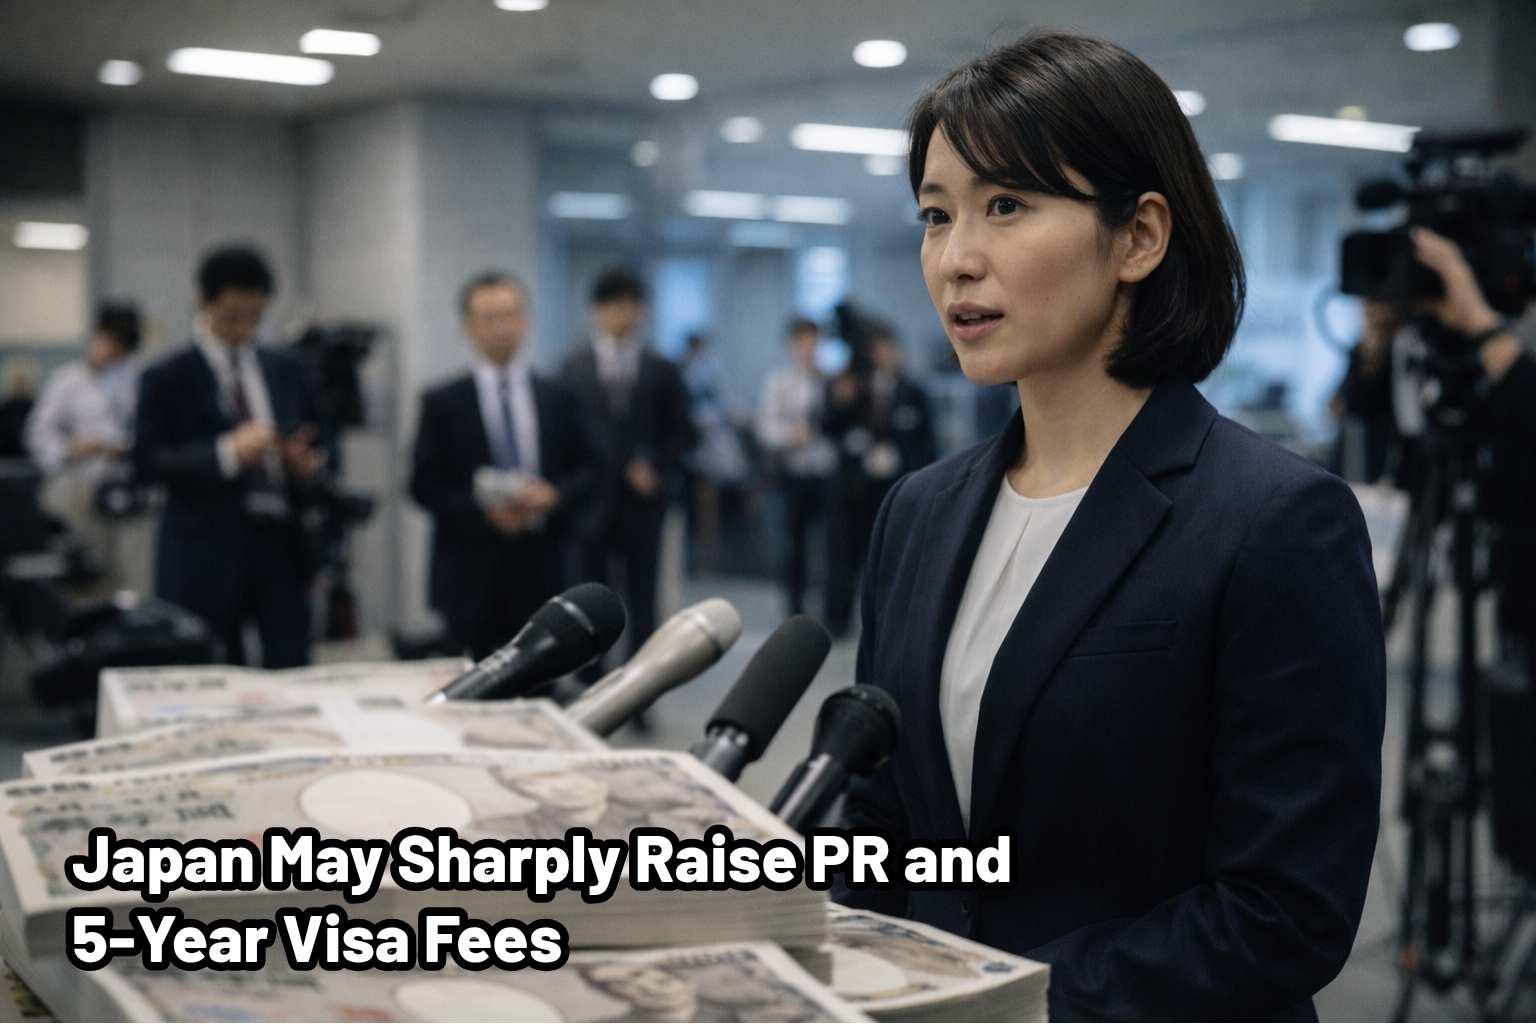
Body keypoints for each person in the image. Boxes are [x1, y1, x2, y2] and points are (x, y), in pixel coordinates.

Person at [835, 31, 1385, 1020]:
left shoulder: (1275, 522)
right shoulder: (918, 513)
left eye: (1006, 205)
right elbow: (884, 816)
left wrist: (1009, 1001)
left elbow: (1281, 910)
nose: (957, 259)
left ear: (1138, 236)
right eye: (934, 214)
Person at [133, 246, 327, 668]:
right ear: (203, 304)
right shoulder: (168, 376)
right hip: (203, 549)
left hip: (281, 545)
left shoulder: (287, 368)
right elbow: (146, 462)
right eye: (232, 315)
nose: (244, 328)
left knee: (291, 665)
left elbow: (322, 441)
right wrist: (226, 453)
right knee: (210, 673)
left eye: (255, 317)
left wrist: (305, 462)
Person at [409, 271, 594, 660]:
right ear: (467, 327)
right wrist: (483, 513)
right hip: (469, 568)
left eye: (510, 315)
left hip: (542, 564)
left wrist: (555, 496)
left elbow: (591, 468)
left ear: (525, 319)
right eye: (489, 317)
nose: (501, 328)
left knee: (541, 681)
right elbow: (422, 483)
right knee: (470, 688)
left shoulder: (558, 396)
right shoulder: (442, 401)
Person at [561, 268, 696, 668]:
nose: (622, 315)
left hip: (643, 503)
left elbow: (683, 434)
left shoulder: (662, 369)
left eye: (630, 306)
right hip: (589, 505)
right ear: (596, 311)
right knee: (587, 598)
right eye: (613, 306)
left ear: (642, 312)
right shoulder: (573, 368)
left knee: (643, 597)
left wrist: (654, 465)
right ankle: (590, 679)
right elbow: (563, 439)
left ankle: (640, 686)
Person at [25, 303, 142, 564]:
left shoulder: (136, 381)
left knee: (124, 571)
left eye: (121, 352)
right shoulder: (67, 381)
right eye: (111, 345)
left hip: (123, 491)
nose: (113, 356)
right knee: (78, 572)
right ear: (97, 336)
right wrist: (72, 449)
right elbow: (38, 435)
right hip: (77, 487)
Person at [755, 317, 837, 617]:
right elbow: (765, 428)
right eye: (802, 342)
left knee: (830, 546)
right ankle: (795, 610)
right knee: (795, 546)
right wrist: (791, 437)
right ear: (791, 345)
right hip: (793, 474)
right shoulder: (779, 382)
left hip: (826, 473)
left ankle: (831, 610)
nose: (808, 348)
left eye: (813, 342)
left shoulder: (830, 380)